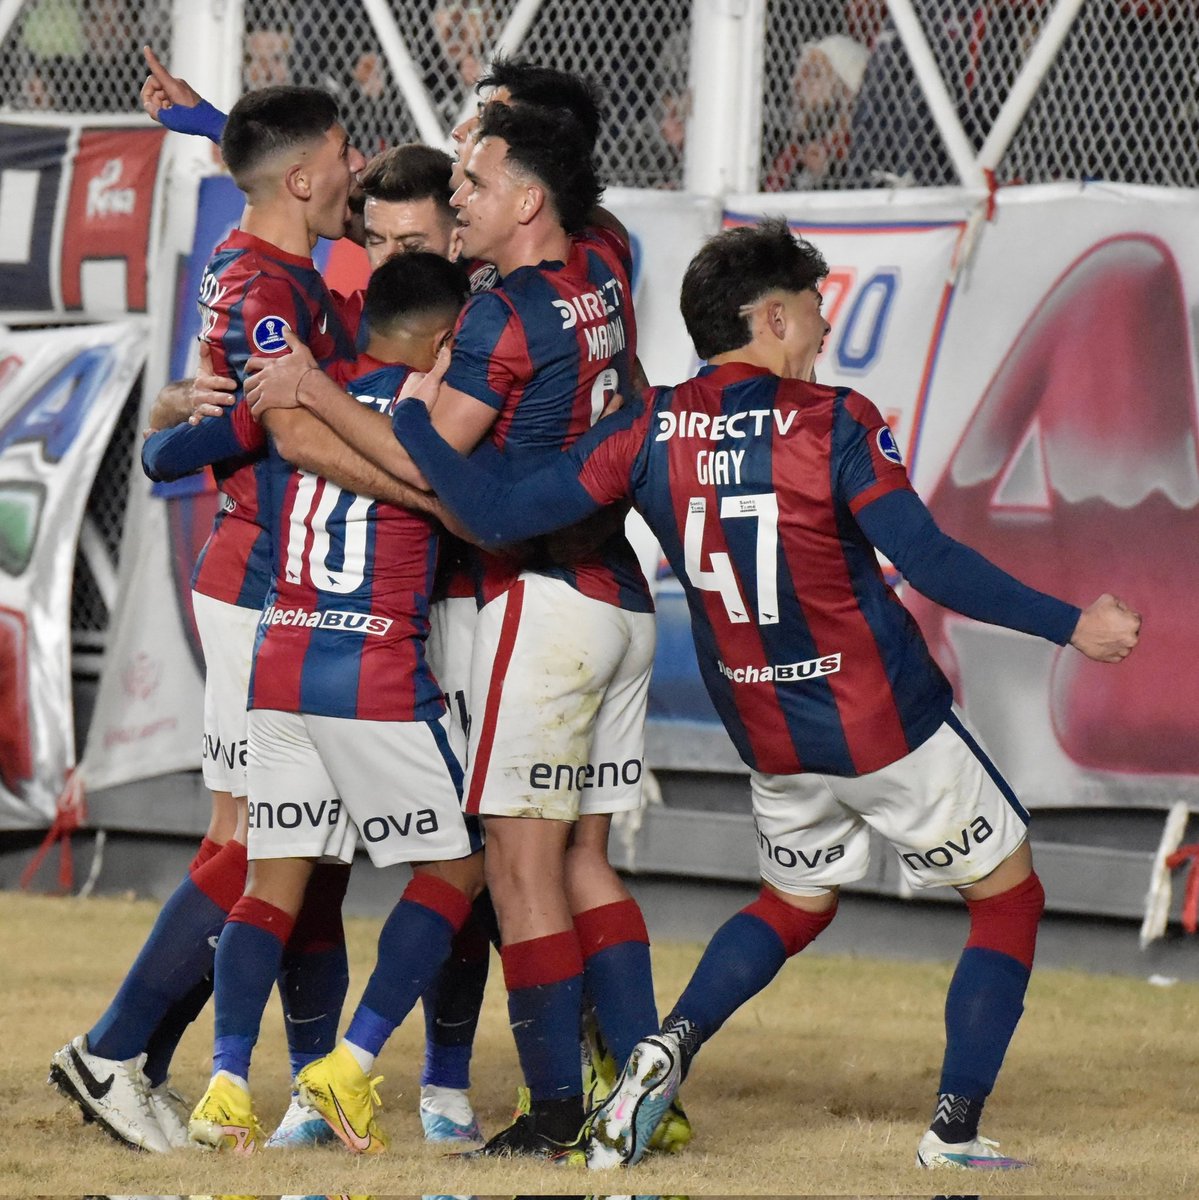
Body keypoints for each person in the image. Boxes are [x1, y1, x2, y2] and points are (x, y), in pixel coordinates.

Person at [385, 217, 1143, 1170]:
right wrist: (1071, 624)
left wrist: (413, 420)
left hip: (767, 734)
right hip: (881, 723)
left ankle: (663, 1048)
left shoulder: (647, 425)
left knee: (795, 898)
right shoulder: (836, 422)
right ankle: (952, 1130)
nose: (824, 332)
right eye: (815, 313)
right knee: (1007, 897)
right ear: (772, 316)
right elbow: (929, 563)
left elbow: (494, 513)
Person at [246, 99, 663, 1158]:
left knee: (506, 868)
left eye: (471, 185)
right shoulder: (602, 275)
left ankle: (556, 1111)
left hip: (529, 601)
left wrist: (317, 395)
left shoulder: (497, 317)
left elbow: (430, 466)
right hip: (617, 597)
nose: (455, 200)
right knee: (581, 863)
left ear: (527, 199)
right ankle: (638, 1080)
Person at [47, 83, 366, 1155]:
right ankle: (115, 1048)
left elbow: (279, 161)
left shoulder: (259, 258)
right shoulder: (272, 287)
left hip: (274, 583)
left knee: (301, 852)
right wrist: (204, 423)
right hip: (266, 585)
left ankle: (232, 1080)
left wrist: (203, 124)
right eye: (345, 154)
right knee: (260, 841)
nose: (358, 172)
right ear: (305, 177)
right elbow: (223, 437)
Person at [152, 248, 484, 1156]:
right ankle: (348, 1065)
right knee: (460, 869)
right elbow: (467, 511)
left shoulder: (304, 389)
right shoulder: (431, 417)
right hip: (371, 665)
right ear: (441, 338)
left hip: (281, 655)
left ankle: (225, 1088)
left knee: (273, 880)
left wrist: (175, 408)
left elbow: (167, 454)